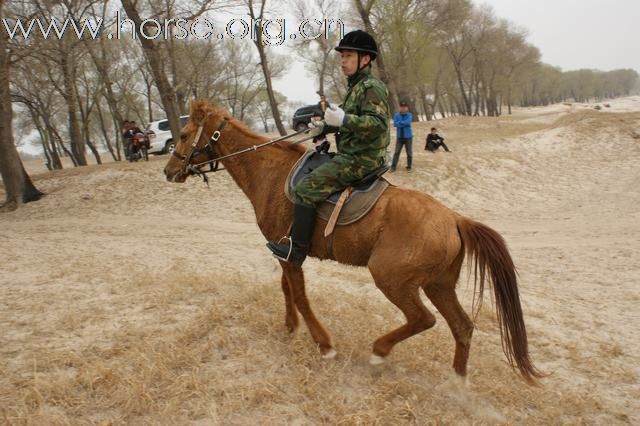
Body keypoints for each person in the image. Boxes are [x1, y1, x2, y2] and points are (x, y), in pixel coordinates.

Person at [267, 29, 390, 266]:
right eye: (341, 56)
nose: (342, 61)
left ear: (365, 59)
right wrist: (324, 127)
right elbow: (348, 121)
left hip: (361, 160)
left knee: (305, 188)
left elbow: (378, 124)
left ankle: (297, 250)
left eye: (348, 56)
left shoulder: (372, 87)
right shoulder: (356, 87)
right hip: (352, 154)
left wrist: (343, 120)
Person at [391, 101, 413, 171]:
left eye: (404, 107)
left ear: (407, 108)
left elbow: (408, 122)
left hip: (408, 137)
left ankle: (409, 167)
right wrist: (403, 123)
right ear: (400, 108)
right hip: (399, 137)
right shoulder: (396, 115)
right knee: (396, 152)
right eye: (401, 107)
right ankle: (393, 167)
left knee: (409, 153)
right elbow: (395, 124)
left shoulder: (409, 115)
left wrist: (399, 123)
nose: (403, 108)